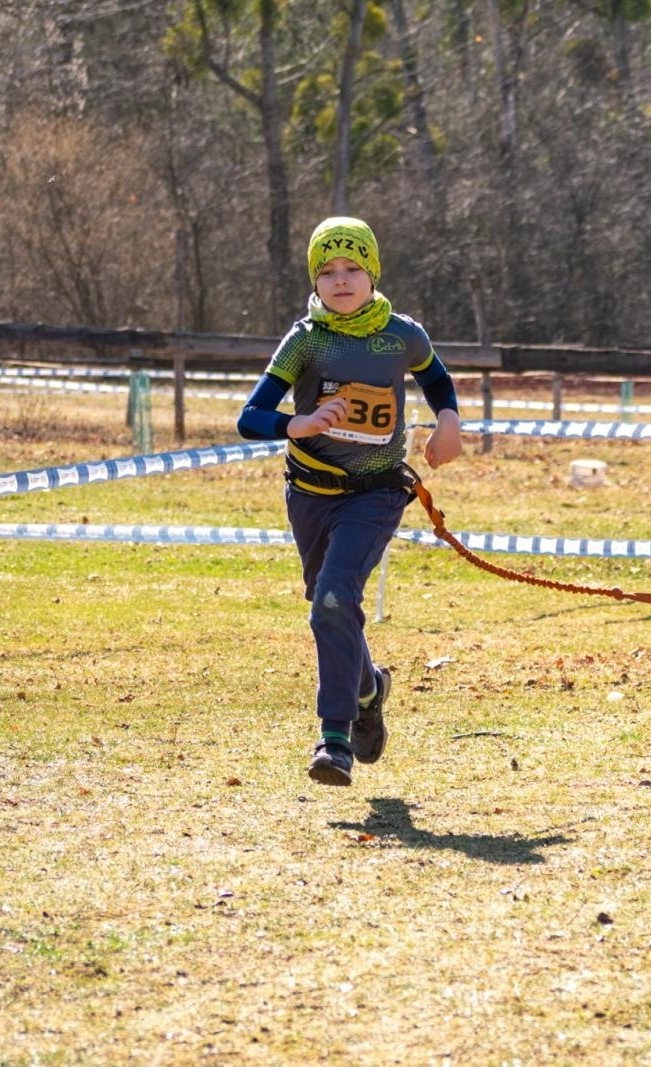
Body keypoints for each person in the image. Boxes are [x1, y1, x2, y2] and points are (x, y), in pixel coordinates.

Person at [237, 216, 464, 787]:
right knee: (326, 602)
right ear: (315, 281)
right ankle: (368, 687)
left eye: (352, 269)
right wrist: (300, 422)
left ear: (372, 273)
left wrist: (450, 421)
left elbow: (435, 378)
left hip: (377, 493)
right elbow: (250, 417)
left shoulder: (401, 333)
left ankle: (333, 739)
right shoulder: (306, 339)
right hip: (310, 494)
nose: (340, 281)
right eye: (327, 272)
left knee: (336, 602)